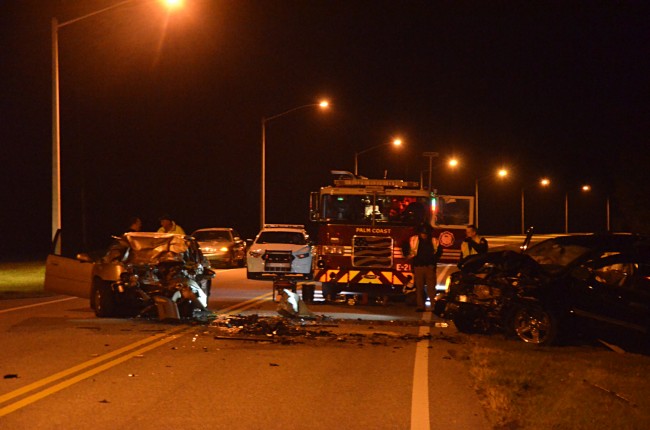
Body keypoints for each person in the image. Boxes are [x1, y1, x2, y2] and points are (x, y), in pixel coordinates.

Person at [407, 224, 443, 312]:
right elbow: (408, 249)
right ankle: (420, 306)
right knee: (419, 288)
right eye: (423, 233)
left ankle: (433, 306)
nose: (424, 235)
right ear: (419, 233)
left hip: (429, 267)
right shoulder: (414, 239)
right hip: (419, 266)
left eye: (426, 233)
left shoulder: (434, 241)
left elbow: (439, 252)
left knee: (431, 288)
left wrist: (433, 262)